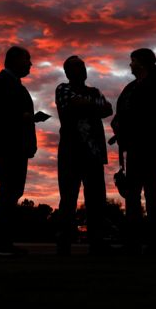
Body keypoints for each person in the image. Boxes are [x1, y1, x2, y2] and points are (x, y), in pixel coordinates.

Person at [0, 46, 49, 256]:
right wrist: (24, 117)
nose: (30, 64)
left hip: (17, 148)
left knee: (12, 192)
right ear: (14, 60)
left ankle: (2, 242)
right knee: (9, 191)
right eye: (27, 59)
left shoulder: (18, 86)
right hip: (5, 147)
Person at [112, 48, 156, 255]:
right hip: (135, 144)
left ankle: (153, 242)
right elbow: (121, 113)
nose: (130, 64)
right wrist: (119, 127)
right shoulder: (132, 86)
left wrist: (126, 127)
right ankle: (133, 241)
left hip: (152, 142)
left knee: (151, 189)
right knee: (133, 191)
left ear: (142, 63)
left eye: (133, 60)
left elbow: (150, 114)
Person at [55, 55, 113, 255]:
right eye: (77, 67)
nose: (83, 70)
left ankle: (97, 241)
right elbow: (76, 104)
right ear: (68, 72)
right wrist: (93, 106)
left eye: (83, 66)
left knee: (96, 200)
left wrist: (84, 104)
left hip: (94, 154)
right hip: (70, 153)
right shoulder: (63, 89)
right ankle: (64, 242)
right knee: (68, 199)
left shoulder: (93, 91)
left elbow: (108, 109)